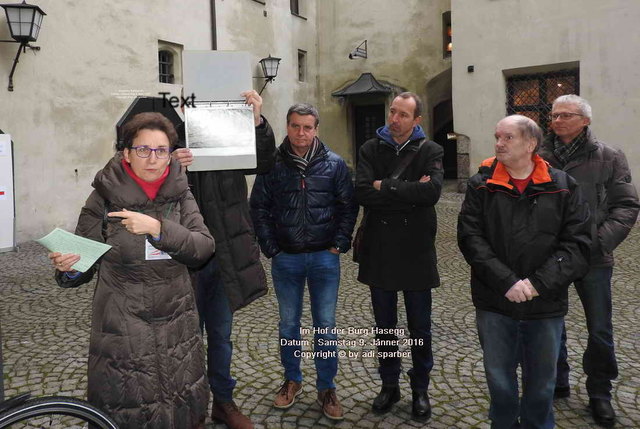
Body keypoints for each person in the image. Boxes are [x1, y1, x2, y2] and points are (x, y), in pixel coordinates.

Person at [49, 112, 214, 429]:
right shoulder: (104, 199)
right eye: (143, 150)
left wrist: (158, 228)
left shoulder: (181, 195)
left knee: (181, 407)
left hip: (177, 325)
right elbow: (83, 260)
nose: (153, 159)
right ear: (125, 153)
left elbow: (203, 248)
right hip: (121, 331)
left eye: (161, 150)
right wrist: (69, 267)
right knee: (127, 411)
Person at [457, 114, 591, 428]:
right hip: (495, 302)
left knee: (542, 385)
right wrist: (507, 282)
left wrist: (536, 283)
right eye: (497, 137)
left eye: (508, 137)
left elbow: (578, 244)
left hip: (545, 305)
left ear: (530, 143)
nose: (498, 144)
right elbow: (470, 238)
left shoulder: (562, 186)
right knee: (500, 381)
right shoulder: (482, 184)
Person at [172, 90, 275, 429]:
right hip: (186, 258)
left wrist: (257, 121)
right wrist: (174, 165)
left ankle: (223, 403)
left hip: (225, 255)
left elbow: (264, 162)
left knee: (220, 334)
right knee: (186, 339)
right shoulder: (173, 136)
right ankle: (191, 407)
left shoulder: (232, 132)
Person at [249, 103, 358, 421]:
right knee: (288, 325)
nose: (301, 133)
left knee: (325, 326)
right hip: (287, 259)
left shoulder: (335, 165)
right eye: (295, 126)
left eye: (307, 127)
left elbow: (348, 205)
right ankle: (292, 379)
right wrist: (271, 247)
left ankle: (327, 387)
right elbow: (258, 207)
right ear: (287, 127)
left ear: (316, 129)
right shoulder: (272, 166)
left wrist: (339, 243)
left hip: (325, 258)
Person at [538, 94, 640, 427]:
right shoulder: (539, 156)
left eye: (566, 115)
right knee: (553, 322)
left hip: (594, 257)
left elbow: (626, 206)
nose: (558, 120)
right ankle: (558, 379)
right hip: (552, 255)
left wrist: (599, 242)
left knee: (599, 329)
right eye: (554, 115)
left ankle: (600, 392)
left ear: (585, 121)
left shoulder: (609, 156)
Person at [355, 92, 443, 421]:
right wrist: (408, 191)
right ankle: (389, 384)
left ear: (416, 120)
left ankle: (420, 389)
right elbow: (362, 191)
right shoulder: (370, 149)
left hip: (417, 251)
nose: (395, 119)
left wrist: (386, 187)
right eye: (393, 111)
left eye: (403, 115)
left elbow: (431, 192)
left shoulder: (431, 150)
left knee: (420, 328)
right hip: (380, 250)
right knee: (386, 327)